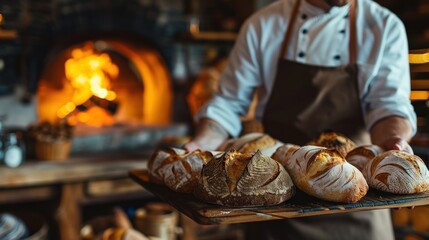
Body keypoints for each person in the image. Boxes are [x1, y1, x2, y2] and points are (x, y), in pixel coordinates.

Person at [184, 0, 416, 239]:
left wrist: (393, 142)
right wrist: (202, 142)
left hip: (356, 198)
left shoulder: (384, 26)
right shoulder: (264, 25)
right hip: (277, 201)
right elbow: (228, 103)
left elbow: (388, 106)